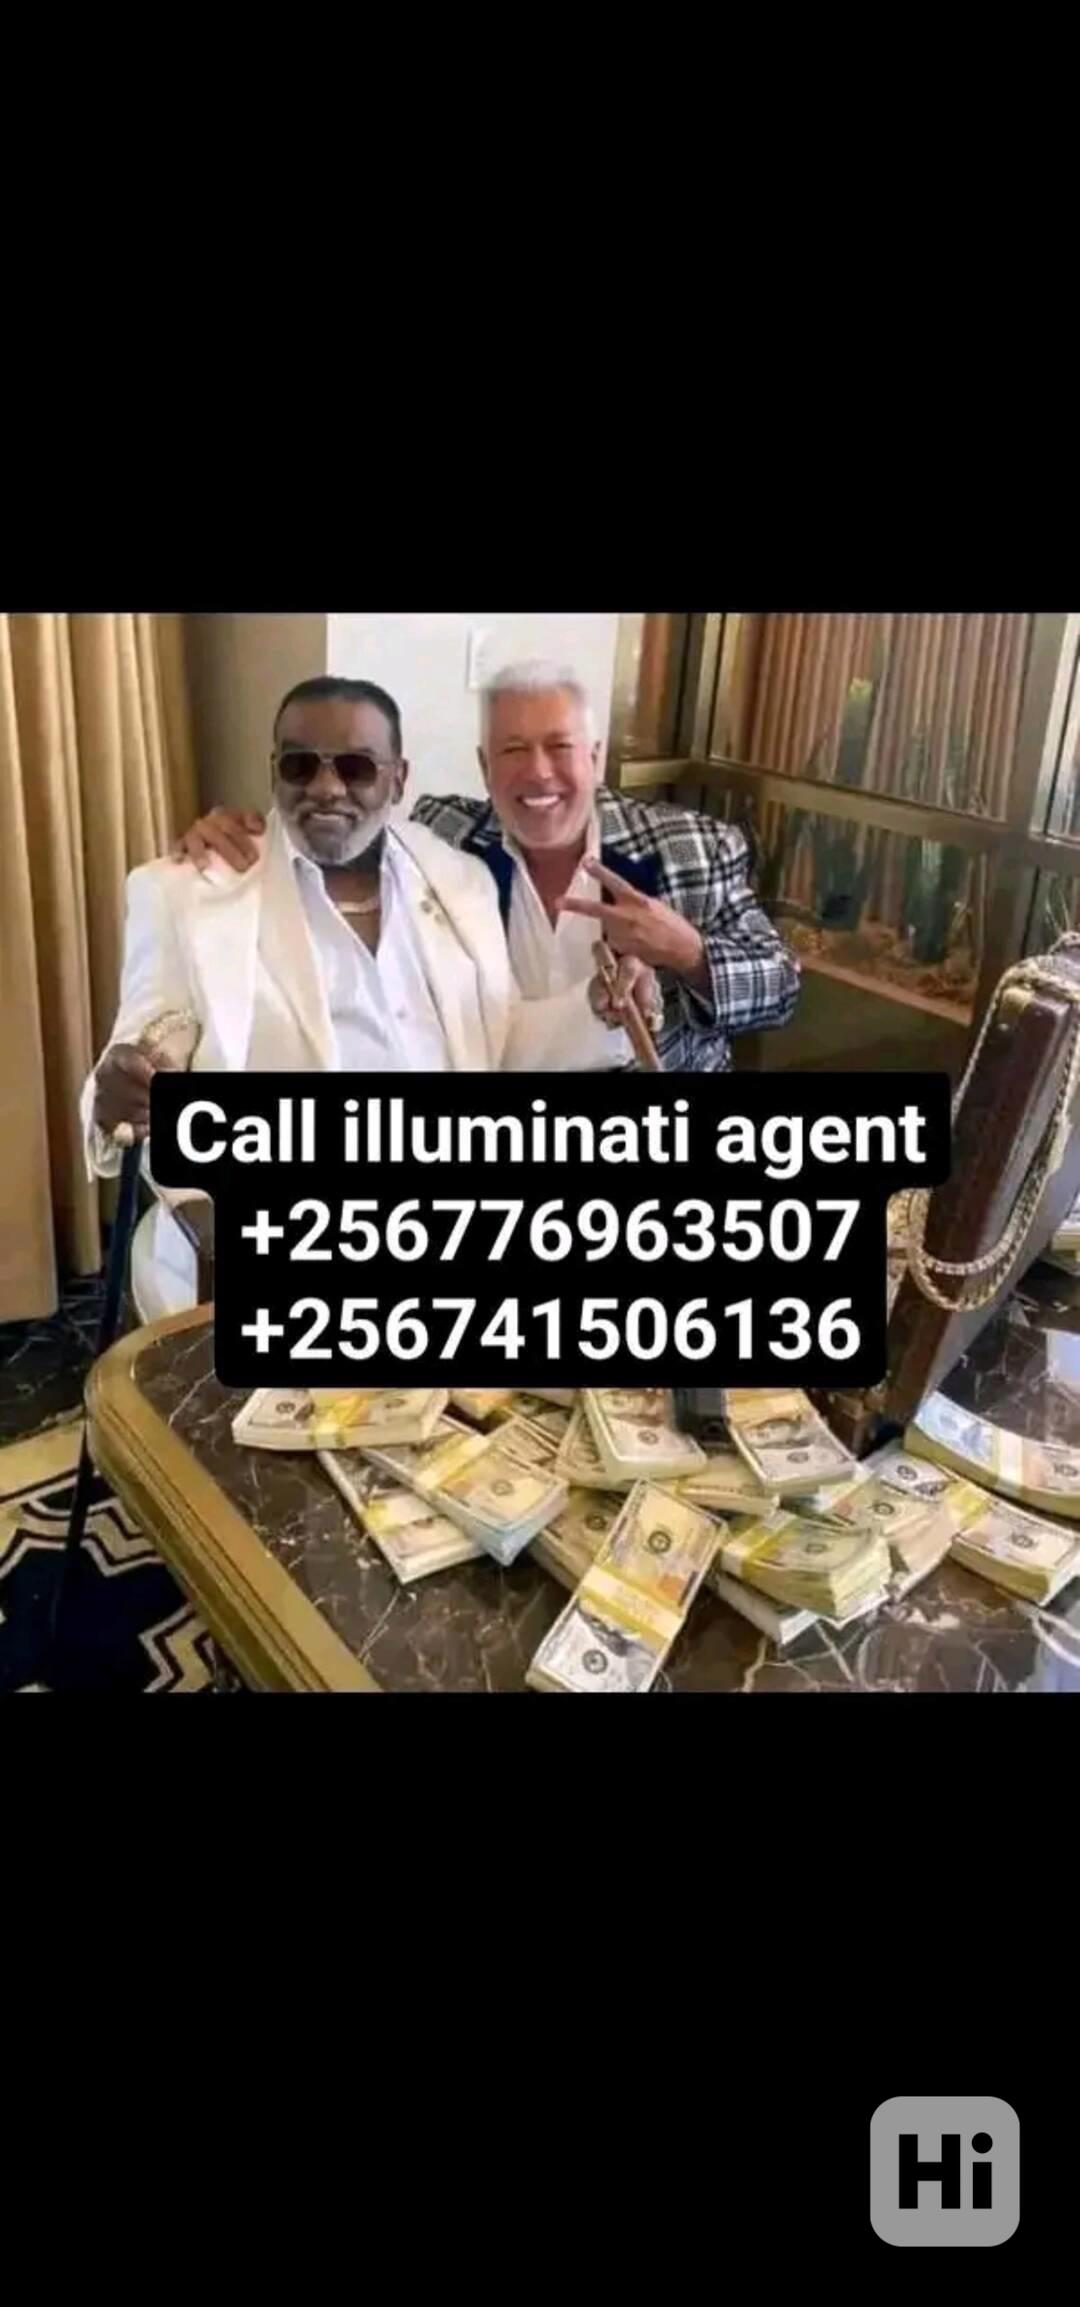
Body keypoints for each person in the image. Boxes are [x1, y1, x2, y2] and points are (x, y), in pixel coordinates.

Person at [83, 676, 653, 1320]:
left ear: (398, 779)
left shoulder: (457, 880)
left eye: (356, 767)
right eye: (300, 765)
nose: (326, 788)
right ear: (274, 772)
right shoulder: (185, 894)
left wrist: (597, 1007)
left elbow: (502, 1040)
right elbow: (138, 1052)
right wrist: (119, 1092)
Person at [177, 659, 800, 1071]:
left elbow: (782, 986)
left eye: (559, 747)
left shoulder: (693, 846)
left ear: (595, 756)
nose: (538, 772)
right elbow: (342, 809)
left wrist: (689, 953)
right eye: (513, 749)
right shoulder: (446, 841)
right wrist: (240, 832)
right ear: (483, 765)